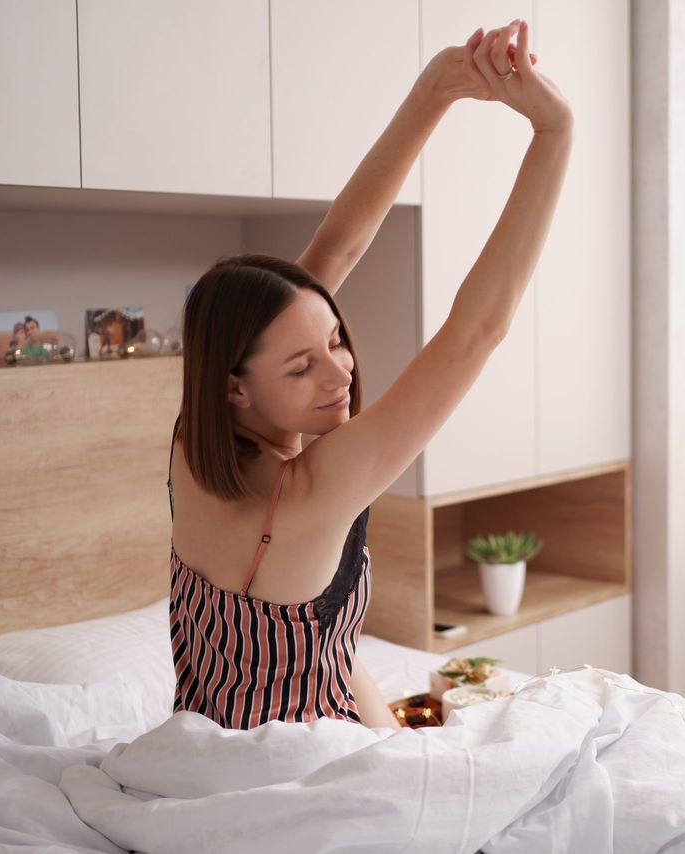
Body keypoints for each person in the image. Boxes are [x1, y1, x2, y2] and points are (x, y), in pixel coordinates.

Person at [166, 18, 571, 732]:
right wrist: (554, 133)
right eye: (304, 366)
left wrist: (435, 90)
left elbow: (337, 249)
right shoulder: (320, 486)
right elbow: (479, 330)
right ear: (237, 386)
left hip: (205, 752)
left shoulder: (193, 445)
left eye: (334, 342)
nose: (340, 372)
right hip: (305, 781)